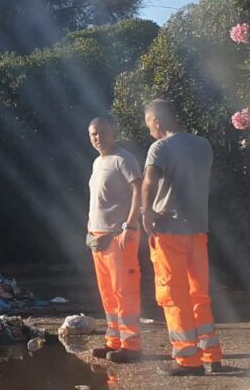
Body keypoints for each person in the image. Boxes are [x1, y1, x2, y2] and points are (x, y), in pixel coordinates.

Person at [141, 99, 223, 376]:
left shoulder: (160, 148)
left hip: (170, 232)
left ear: (157, 121)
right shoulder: (203, 145)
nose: (149, 131)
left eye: (148, 125)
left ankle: (187, 360)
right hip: (198, 231)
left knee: (173, 295)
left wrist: (146, 213)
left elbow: (150, 181)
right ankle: (211, 355)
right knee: (199, 294)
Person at [86, 115, 143, 363]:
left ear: (113, 132)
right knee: (108, 293)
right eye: (93, 134)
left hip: (119, 237)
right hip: (98, 238)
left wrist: (130, 226)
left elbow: (139, 190)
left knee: (124, 292)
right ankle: (114, 342)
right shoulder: (98, 163)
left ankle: (132, 346)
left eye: (102, 132)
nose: (98, 138)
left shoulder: (124, 159)